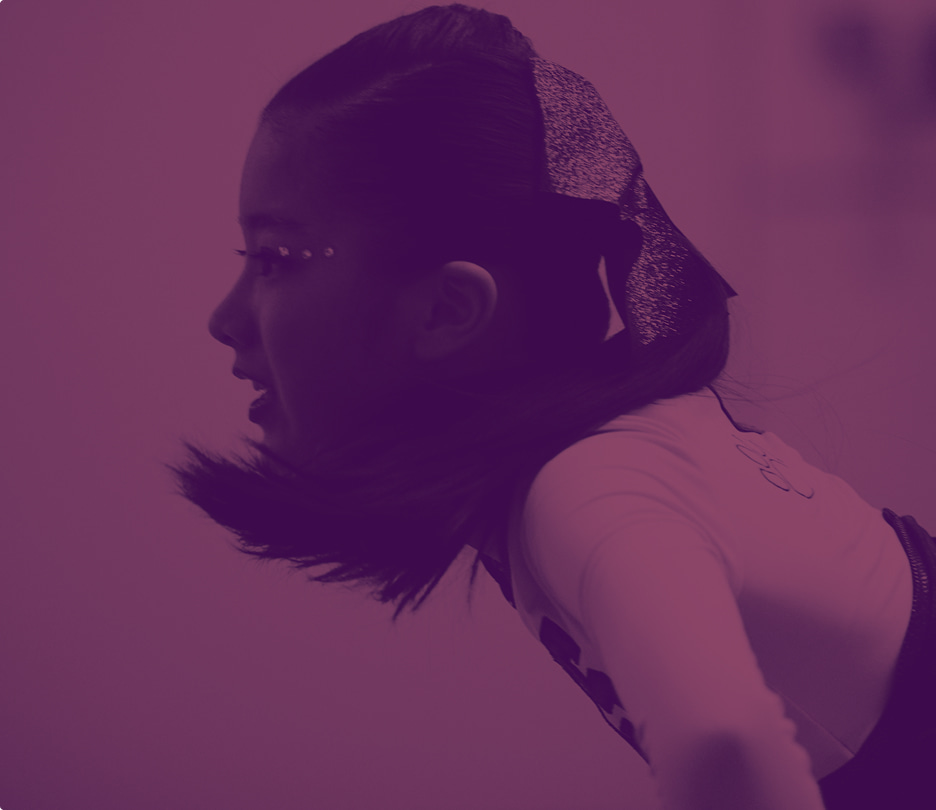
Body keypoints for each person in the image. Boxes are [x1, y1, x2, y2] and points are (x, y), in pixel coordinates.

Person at [165, 5, 936, 809]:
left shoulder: (588, 490)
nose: (224, 318)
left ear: (447, 311)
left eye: (275, 259)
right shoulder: (596, 457)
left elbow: (725, 741)